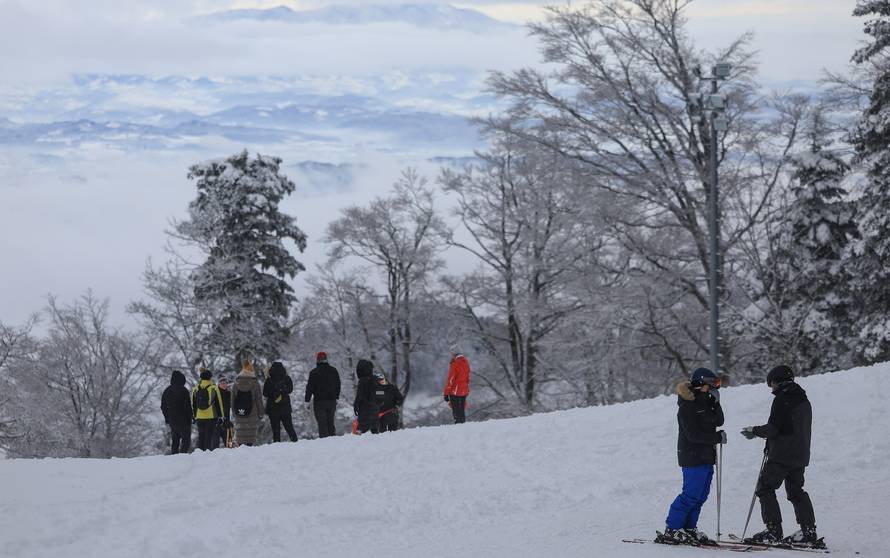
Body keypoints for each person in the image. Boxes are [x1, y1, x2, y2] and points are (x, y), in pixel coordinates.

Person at [741, 365, 822, 548]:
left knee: (765, 488)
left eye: (771, 384)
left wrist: (755, 431)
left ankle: (773, 531)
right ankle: (808, 531)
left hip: (782, 456)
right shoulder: (803, 399)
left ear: (777, 381)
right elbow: (791, 428)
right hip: (800, 454)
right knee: (796, 491)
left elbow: (775, 428)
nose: (772, 389)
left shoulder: (783, 399)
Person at [658, 367, 726, 546]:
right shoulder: (687, 407)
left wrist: (716, 403)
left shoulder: (705, 403)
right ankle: (672, 529)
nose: (713, 388)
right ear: (699, 383)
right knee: (690, 495)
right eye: (711, 384)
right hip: (692, 456)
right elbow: (693, 435)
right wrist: (716, 437)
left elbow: (719, 421)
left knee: (701, 496)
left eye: (716, 385)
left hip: (706, 456)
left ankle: (688, 528)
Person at [304, 351, 341, 438]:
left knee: (322, 423)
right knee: (330, 422)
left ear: (317, 360)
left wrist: (307, 401)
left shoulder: (314, 372)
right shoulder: (333, 370)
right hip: (332, 401)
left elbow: (309, 388)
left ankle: (324, 443)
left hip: (319, 402)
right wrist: (337, 397)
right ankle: (333, 440)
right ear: (326, 359)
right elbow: (338, 384)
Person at [231, 360, 264, 447]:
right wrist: (261, 413)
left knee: (241, 436)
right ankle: (249, 450)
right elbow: (258, 400)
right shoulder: (255, 383)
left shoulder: (236, 383)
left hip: (239, 413)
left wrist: (234, 413)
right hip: (252, 414)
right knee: (250, 437)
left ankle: (241, 451)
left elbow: (232, 400)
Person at [191, 368, 226, 451]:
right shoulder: (214, 388)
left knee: (201, 436)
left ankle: (200, 452)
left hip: (199, 416)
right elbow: (219, 403)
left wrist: (194, 416)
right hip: (211, 416)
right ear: (210, 378)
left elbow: (194, 404)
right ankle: (207, 454)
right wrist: (221, 416)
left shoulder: (195, 389)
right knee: (209, 436)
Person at [264, 361, 298, 442]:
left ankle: (277, 445)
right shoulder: (287, 378)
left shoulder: (269, 380)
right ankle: (295, 442)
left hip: (273, 408)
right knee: (289, 428)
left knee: (276, 430)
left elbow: (265, 393)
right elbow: (290, 390)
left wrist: (273, 392)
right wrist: (282, 391)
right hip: (285, 408)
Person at [160, 370, 192, 454]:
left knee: (175, 440)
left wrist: (167, 418)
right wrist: (190, 418)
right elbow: (188, 406)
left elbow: (163, 407)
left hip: (172, 420)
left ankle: (174, 457)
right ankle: (183, 456)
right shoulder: (184, 390)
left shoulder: (166, 391)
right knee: (186, 440)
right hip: (184, 420)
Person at [443, 346, 470, 424]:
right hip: (464, 390)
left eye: (451, 353)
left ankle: (458, 427)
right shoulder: (466, 362)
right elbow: (467, 378)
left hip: (455, 391)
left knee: (456, 411)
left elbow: (451, 380)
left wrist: (446, 393)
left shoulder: (455, 364)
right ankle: (463, 426)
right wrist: (467, 389)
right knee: (461, 410)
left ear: (454, 353)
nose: (451, 354)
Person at [353, 359, 379, 434]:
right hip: (375, 410)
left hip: (365, 411)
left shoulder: (362, 380)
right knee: (374, 432)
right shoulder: (376, 379)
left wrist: (356, 405)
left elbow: (359, 395)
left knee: (360, 432)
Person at [215, 375, 233, 449]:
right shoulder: (215, 393)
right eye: (221, 382)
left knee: (229, 440)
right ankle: (214, 453)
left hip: (227, 418)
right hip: (217, 419)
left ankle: (230, 449)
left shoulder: (228, 393)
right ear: (218, 384)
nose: (223, 384)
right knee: (215, 441)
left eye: (225, 382)